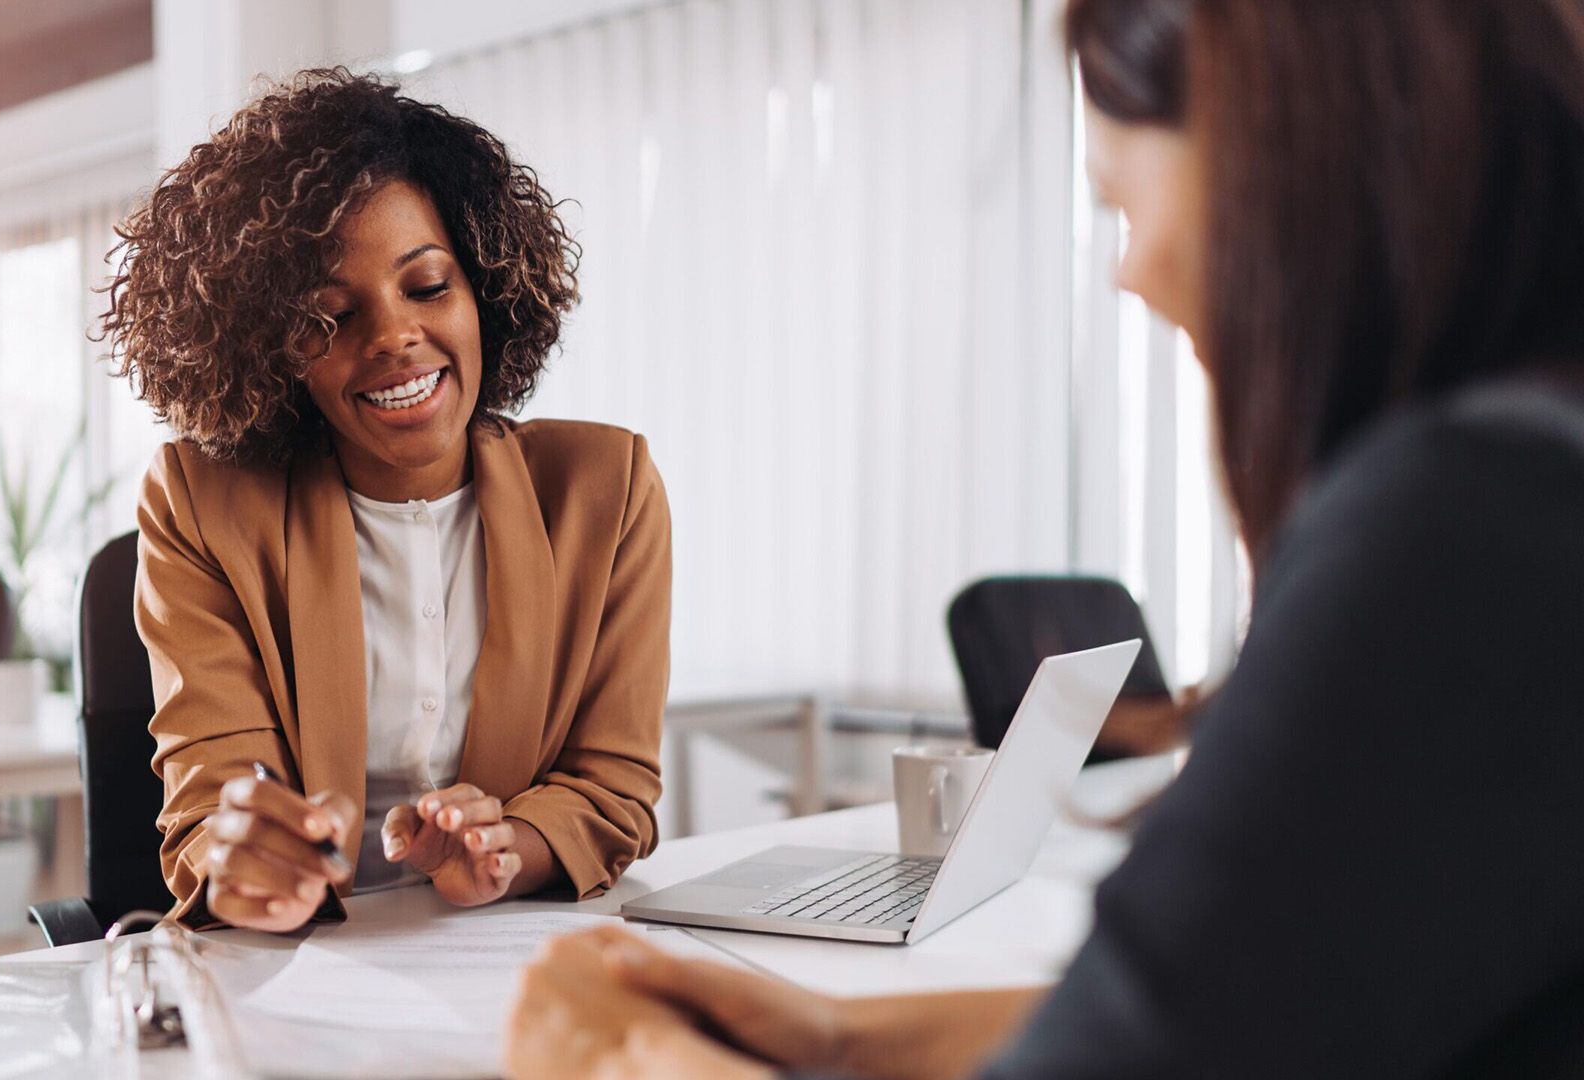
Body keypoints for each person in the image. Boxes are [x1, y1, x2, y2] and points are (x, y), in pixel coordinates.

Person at [506, 0, 1584, 1075]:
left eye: (1121, 202)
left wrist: (620, 1057)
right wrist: (839, 1033)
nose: (1132, 271)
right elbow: (1211, 1021)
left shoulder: (1455, 532)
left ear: (1286, 160)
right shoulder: (1525, 485)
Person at [101, 69, 671, 931]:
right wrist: (247, 861)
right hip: (293, 977)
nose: (394, 339)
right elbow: (211, 804)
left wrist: (506, 853)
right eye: (330, 316)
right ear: (272, 350)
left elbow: (612, 787)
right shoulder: (200, 502)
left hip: (508, 957)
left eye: (428, 286)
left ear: (484, 287)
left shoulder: (606, 488)